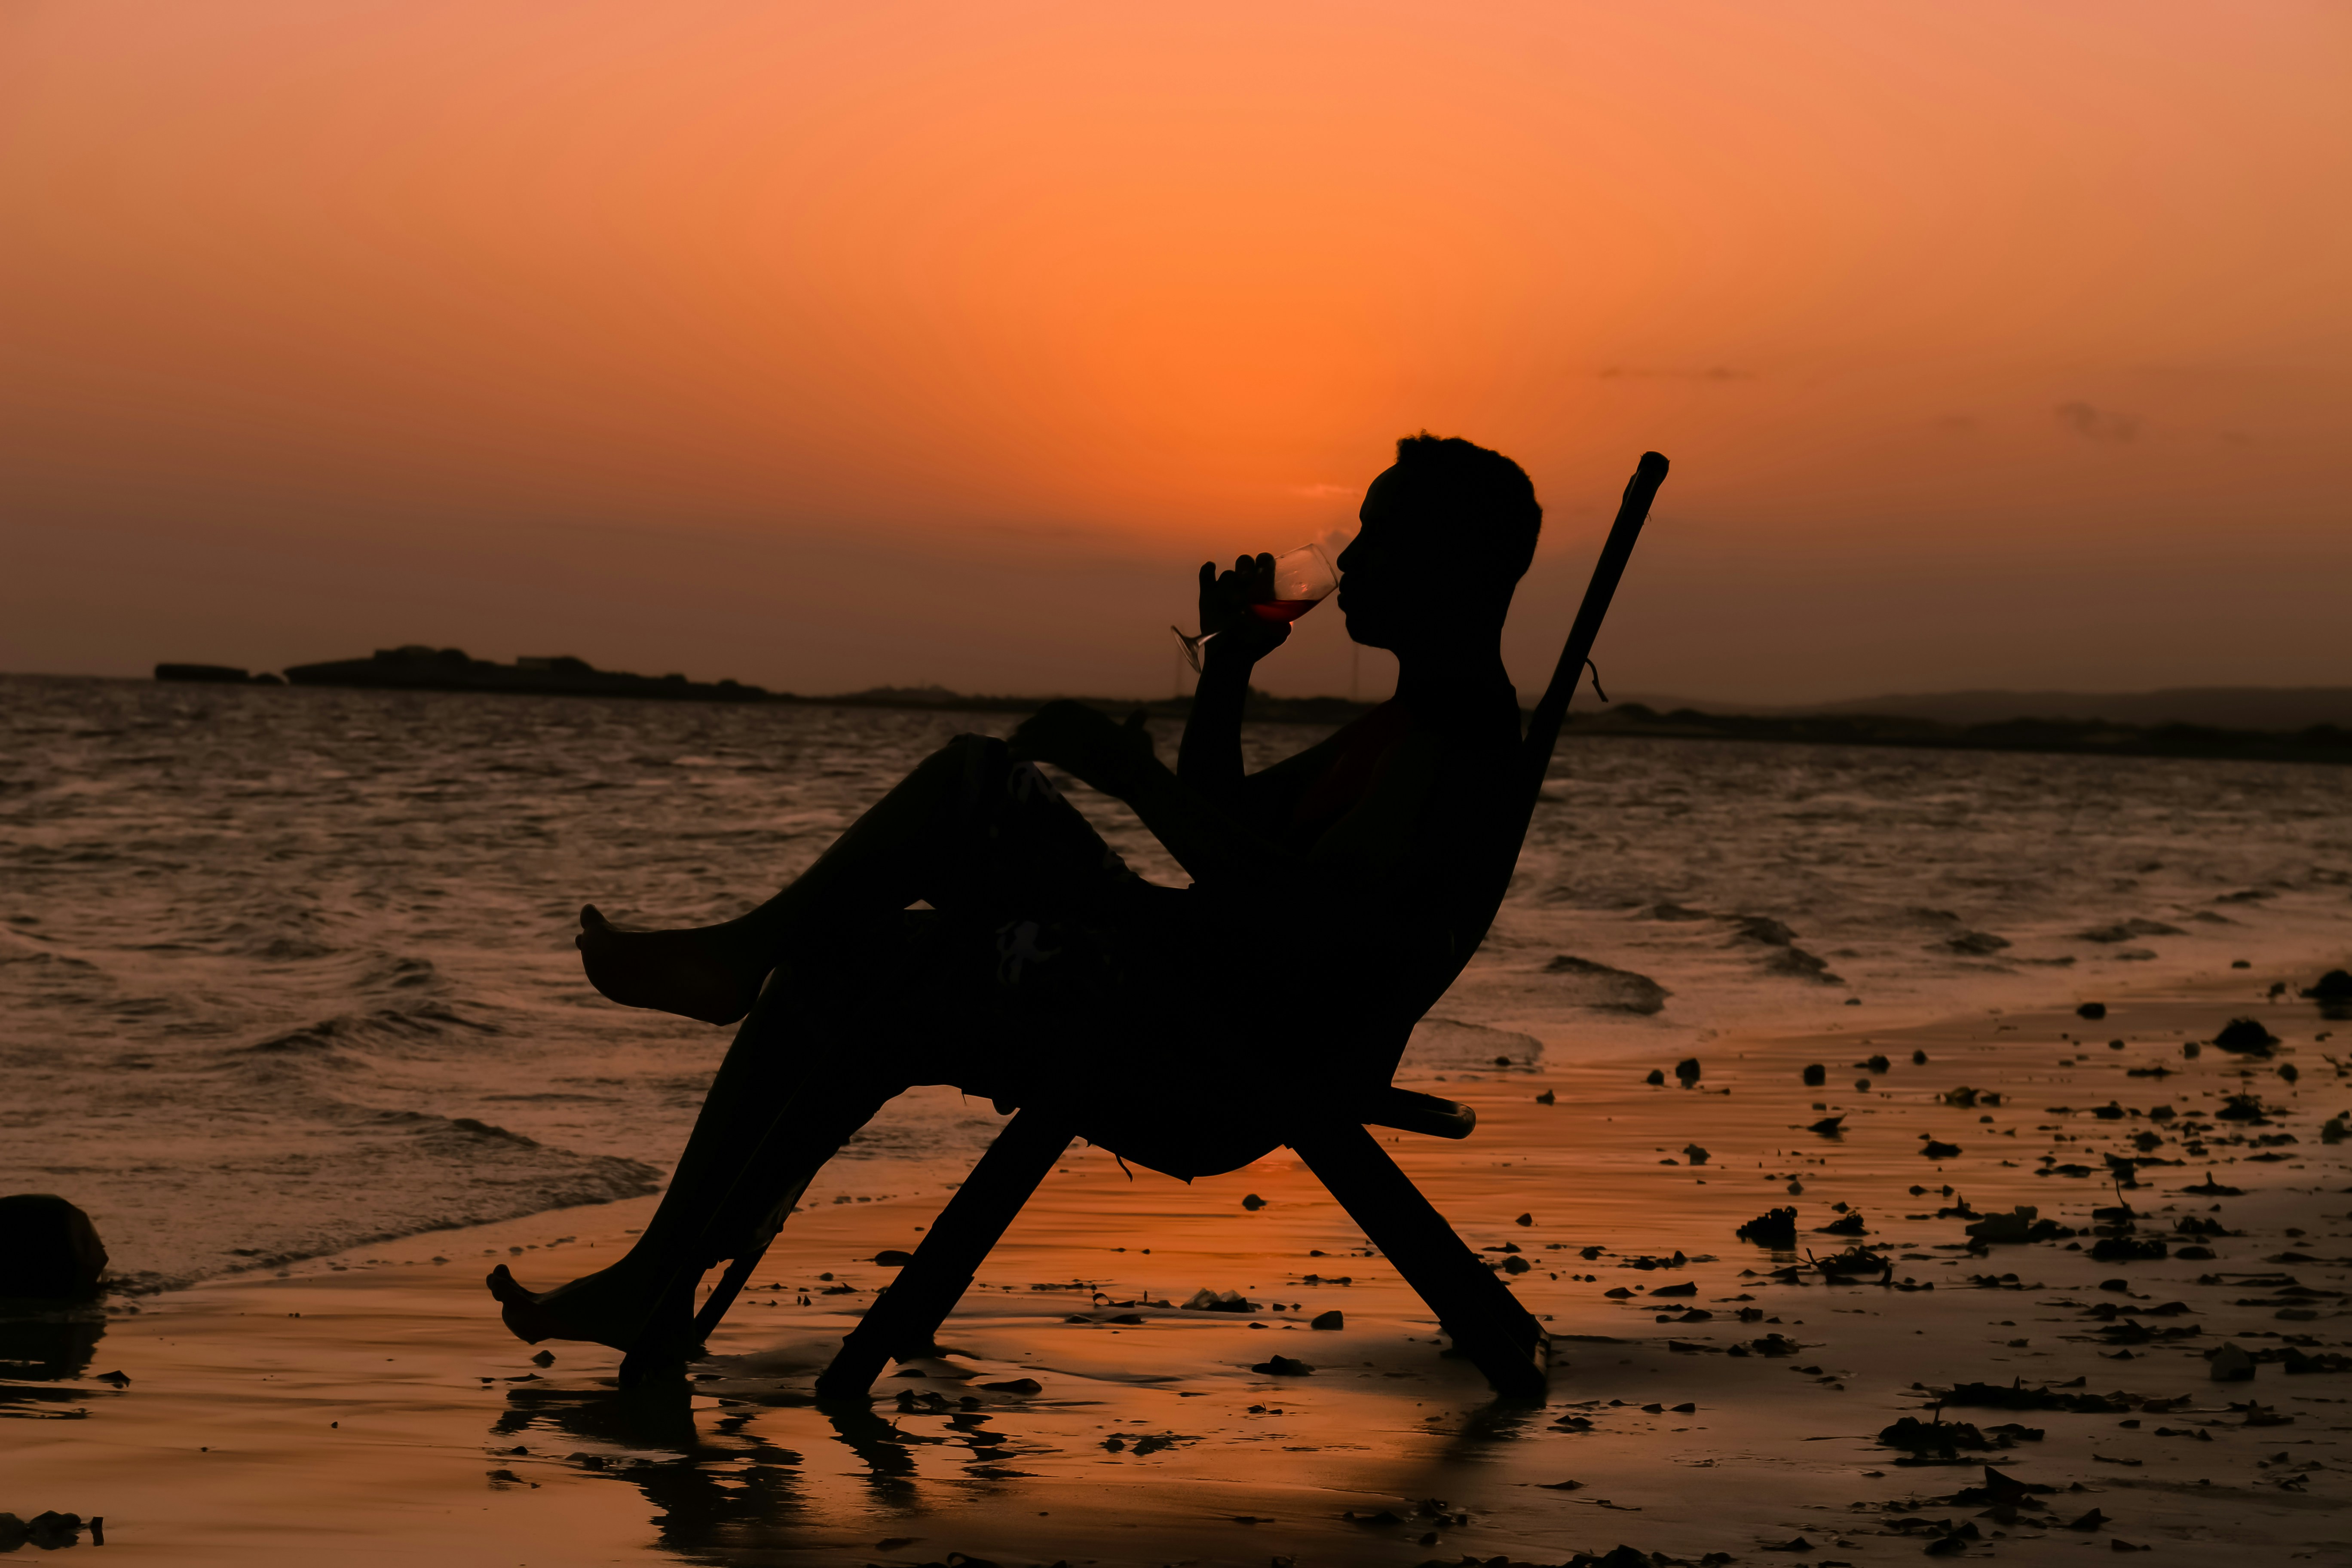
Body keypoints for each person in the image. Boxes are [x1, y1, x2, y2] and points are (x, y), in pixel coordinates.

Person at [487, 432, 1544, 1359]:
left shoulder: (1453, 744)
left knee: (972, 788)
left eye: (1382, 533)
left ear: (1456, 567)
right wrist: (1227, 672)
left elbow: (1291, 912)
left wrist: (1128, 779)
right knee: (850, 960)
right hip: (1206, 1012)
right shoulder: (1409, 729)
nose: (1352, 557)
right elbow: (1230, 830)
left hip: (1212, 1044)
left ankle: (729, 978)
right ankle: (659, 1276)